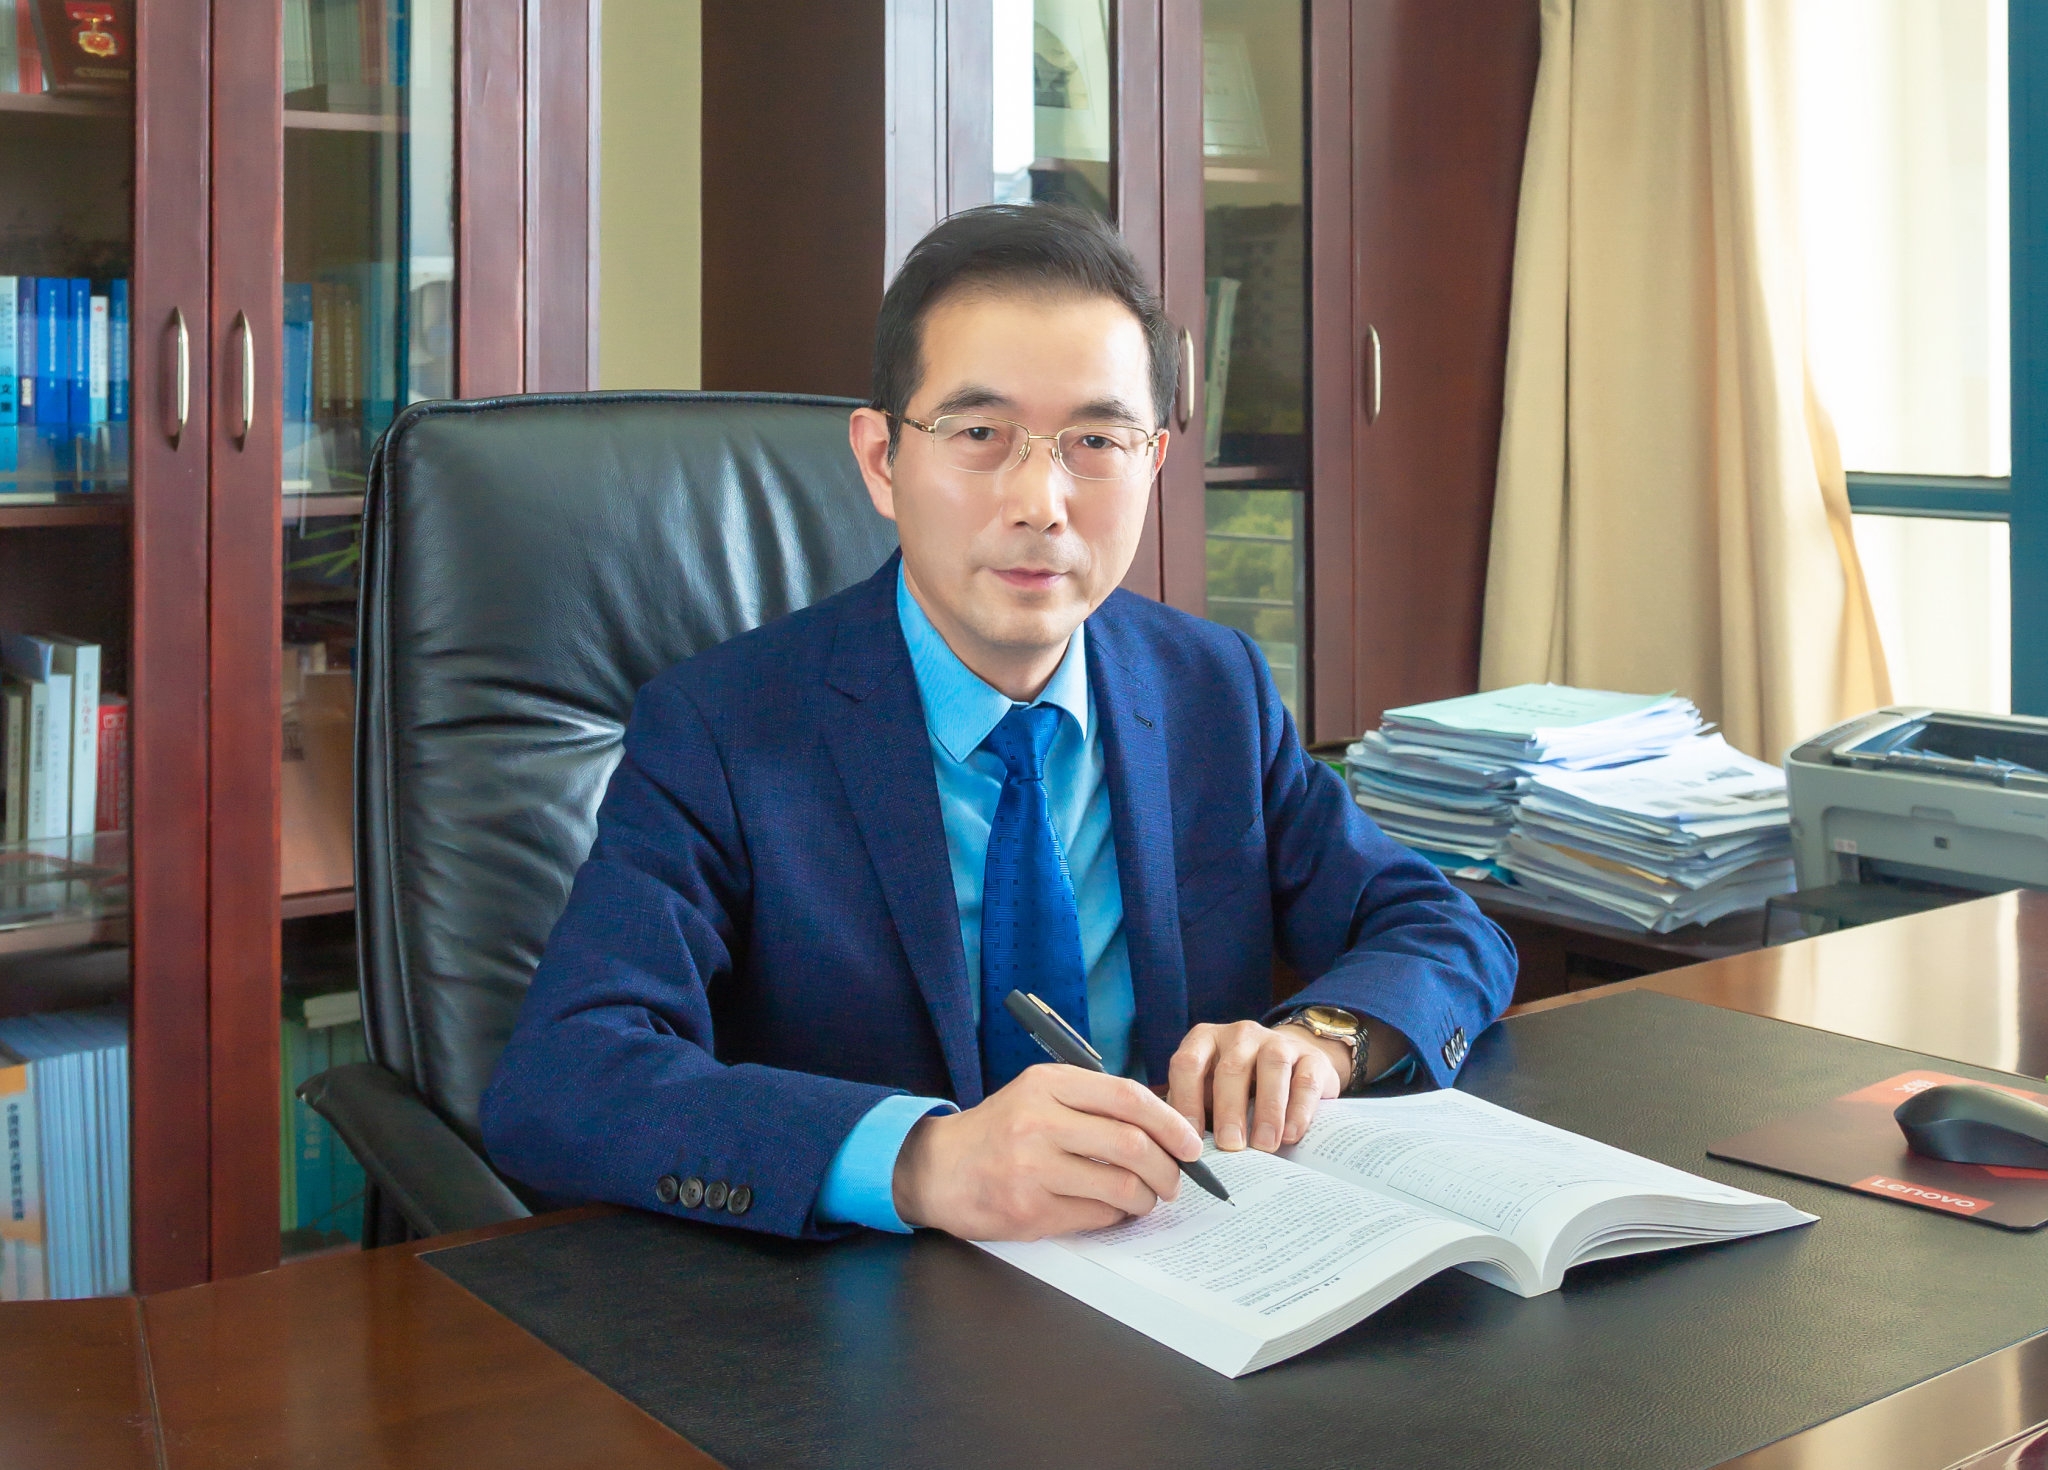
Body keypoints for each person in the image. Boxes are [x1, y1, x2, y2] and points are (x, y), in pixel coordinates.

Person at [479, 202, 1516, 1244]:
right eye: (979, 435)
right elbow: (567, 1076)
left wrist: (1324, 1039)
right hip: (875, 1306)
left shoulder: (1211, 688)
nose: (1041, 502)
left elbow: (1440, 927)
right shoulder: (722, 729)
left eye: (1095, 440)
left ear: (1154, 462)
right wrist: (923, 1161)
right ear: (881, 460)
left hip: (1192, 1261)